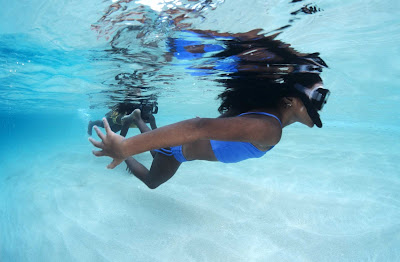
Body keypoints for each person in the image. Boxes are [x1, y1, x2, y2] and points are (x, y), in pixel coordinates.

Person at [89, 31, 330, 189]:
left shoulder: (264, 112)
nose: (320, 105)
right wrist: (125, 147)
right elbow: (199, 127)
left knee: (158, 153)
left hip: (175, 145)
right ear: (289, 100)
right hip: (176, 150)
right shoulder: (270, 127)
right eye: (316, 97)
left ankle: (138, 118)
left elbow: (208, 127)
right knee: (152, 181)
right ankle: (125, 151)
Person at [87, 100, 158, 137]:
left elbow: (155, 133)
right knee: (104, 125)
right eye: (146, 110)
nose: (148, 113)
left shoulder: (150, 118)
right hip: (117, 117)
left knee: (113, 130)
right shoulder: (131, 117)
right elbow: (122, 136)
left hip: (124, 122)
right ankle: (91, 123)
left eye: (150, 110)